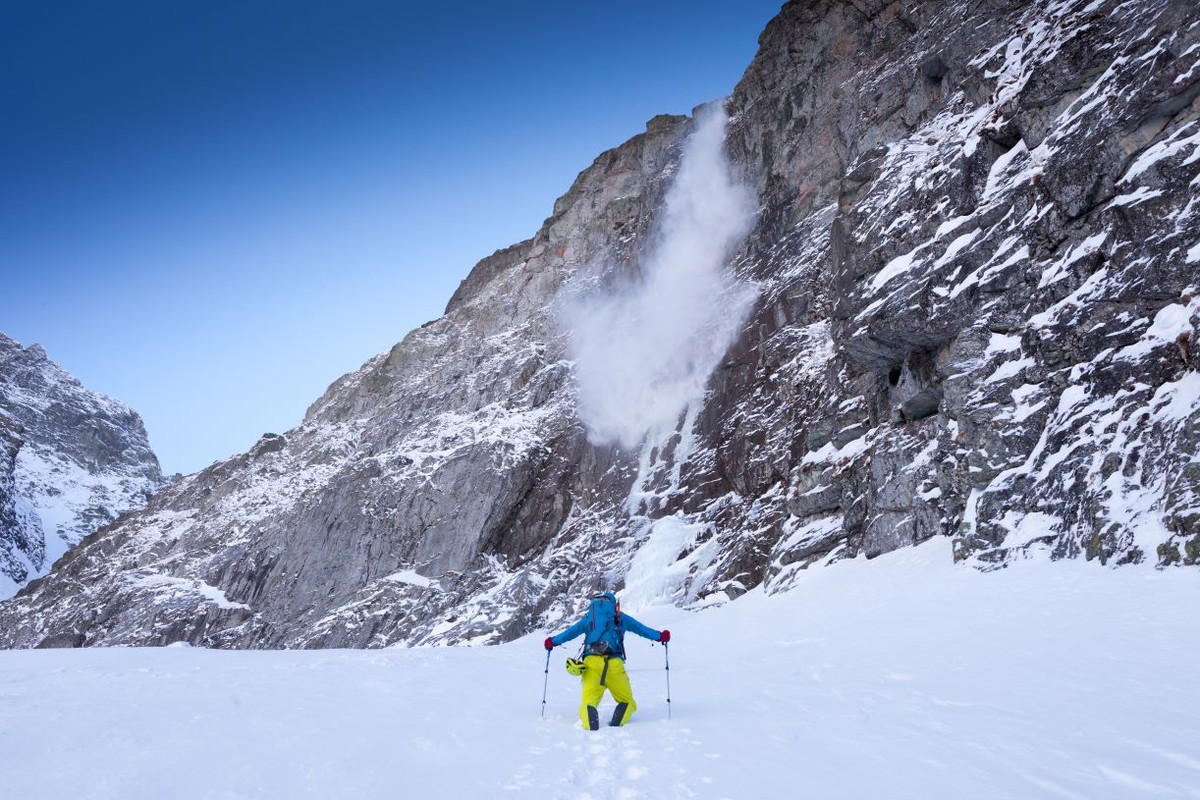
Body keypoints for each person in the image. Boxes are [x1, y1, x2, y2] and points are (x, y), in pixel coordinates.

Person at [544, 591, 670, 730]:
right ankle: (618, 720)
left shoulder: (589, 617)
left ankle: (590, 723)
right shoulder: (619, 617)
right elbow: (641, 629)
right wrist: (660, 636)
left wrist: (553, 642)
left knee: (588, 702)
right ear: (613, 604)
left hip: (591, 663)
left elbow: (571, 632)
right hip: (614, 663)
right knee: (627, 701)